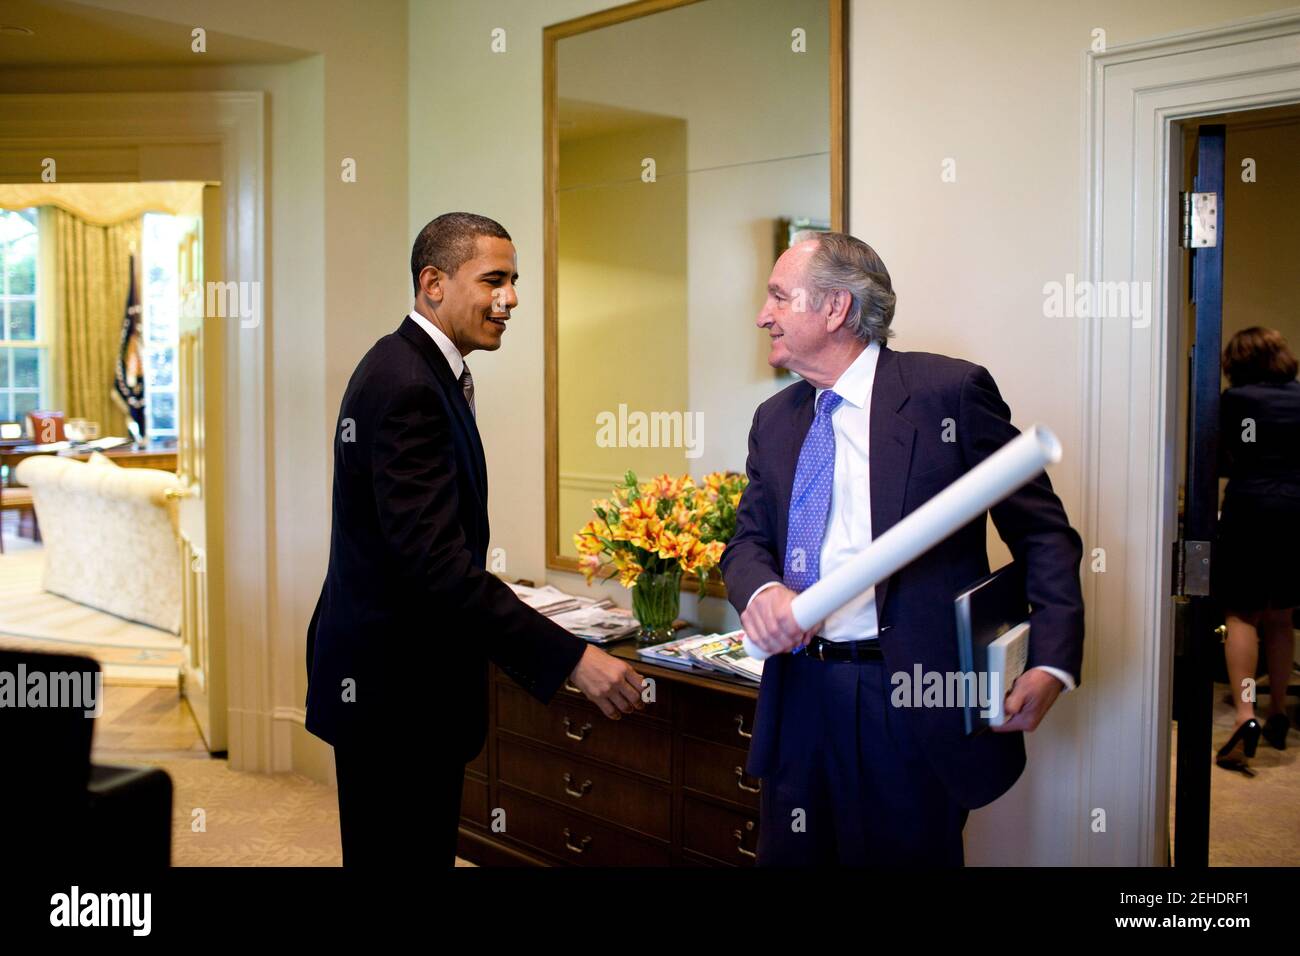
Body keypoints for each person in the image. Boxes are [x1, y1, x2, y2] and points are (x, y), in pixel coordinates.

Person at [722, 231, 1085, 865]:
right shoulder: (774, 419)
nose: (763, 315)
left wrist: (1051, 660)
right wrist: (762, 589)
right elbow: (748, 540)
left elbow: (1043, 532)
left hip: (912, 699)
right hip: (801, 699)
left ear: (835, 308)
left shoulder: (948, 393)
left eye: (780, 296)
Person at [305, 212, 645, 867]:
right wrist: (572, 657)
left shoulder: (419, 369)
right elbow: (437, 568)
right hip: (395, 695)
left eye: (513, 281)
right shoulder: (409, 385)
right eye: (494, 279)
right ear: (433, 282)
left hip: (397, 684)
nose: (510, 298)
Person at [1213, 326, 1300, 770]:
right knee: (1282, 616)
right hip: (1295, 512)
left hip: (1249, 509)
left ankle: (1247, 715)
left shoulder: (1234, 402)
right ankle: (1280, 711)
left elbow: (1224, 457)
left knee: (1242, 614)